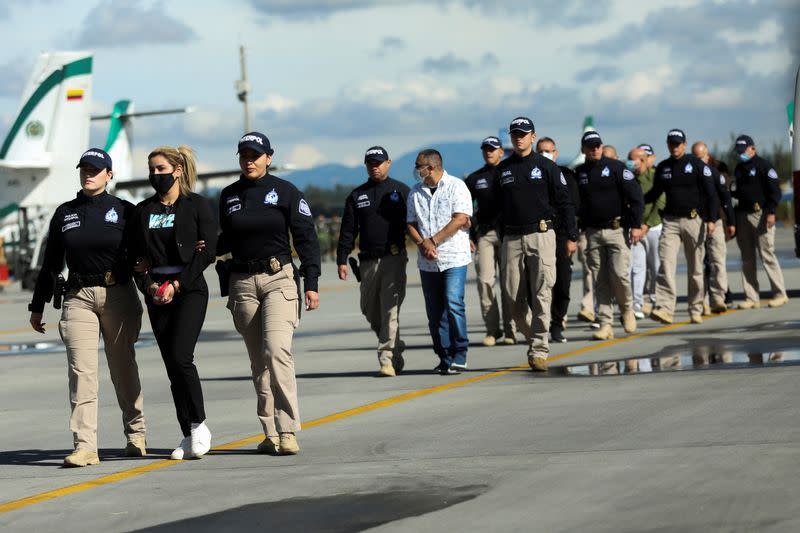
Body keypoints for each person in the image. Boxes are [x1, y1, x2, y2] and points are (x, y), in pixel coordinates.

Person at [28, 148, 145, 467]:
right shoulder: (64, 213)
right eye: (84, 169)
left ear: (109, 175)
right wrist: (37, 306)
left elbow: (144, 255)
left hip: (117, 293)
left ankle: (136, 433)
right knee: (81, 372)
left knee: (122, 366)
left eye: (95, 169)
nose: (88, 173)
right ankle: (85, 446)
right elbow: (51, 264)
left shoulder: (125, 210)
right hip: (77, 296)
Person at [217, 131, 320, 455]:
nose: (249, 161)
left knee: (277, 351)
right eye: (244, 156)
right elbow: (223, 241)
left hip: (278, 278)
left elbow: (306, 238)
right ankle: (270, 432)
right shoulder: (229, 195)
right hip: (243, 283)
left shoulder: (286, 192)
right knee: (258, 362)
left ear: (268, 157)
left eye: (255, 155)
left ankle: (288, 429)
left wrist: (313, 282)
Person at [128, 145, 216, 460]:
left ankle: (200, 425)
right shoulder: (143, 211)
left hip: (188, 289)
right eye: (152, 170)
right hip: (157, 293)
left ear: (177, 170)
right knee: (170, 365)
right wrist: (149, 285)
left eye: (161, 169)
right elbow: (135, 259)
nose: (156, 175)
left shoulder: (197, 206)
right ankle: (186, 432)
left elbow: (207, 252)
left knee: (181, 357)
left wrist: (176, 285)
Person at [493, 117, 577, 371]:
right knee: (513, 298)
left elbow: (565, 203)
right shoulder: (503, 169)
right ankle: (534, 336)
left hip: (541, 235)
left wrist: (570, 236)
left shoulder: (548, 167)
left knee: (542, 292)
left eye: (524, 133)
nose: (519, 137)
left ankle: (539, 348)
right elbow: (496, 207)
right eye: (515, 134)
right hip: (511, 238)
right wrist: (500, 235)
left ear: (533, 136)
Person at [337, 146, 409, 377]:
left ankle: (386, 358)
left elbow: (416, 221)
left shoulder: (401, 191)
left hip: (394, 258)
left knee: (390, 310)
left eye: (379, 162)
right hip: (367, 261)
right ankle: (395, 347)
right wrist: (341, 259)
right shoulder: (357, 196)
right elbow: (348, 230)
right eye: (370, 163)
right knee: (369, 310)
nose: (375, 167)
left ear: (388, 163)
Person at [406, 149, 472, 375]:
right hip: (427, 261)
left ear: (431, 167)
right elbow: (410, 223)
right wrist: (423, 244)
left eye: (419, 166)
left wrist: (433, 240)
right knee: (435, 312)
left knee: (453, 301)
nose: (416, 171)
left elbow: (461, 218)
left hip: (454, 256)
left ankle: (460, 351)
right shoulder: (415, 192)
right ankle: (444, 355)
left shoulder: (456, 186)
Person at [575, 132, 643, 340]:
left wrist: (636, 225)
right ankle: (605, 323)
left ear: (601, 147)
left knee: (620, 275)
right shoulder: (579, 173)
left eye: (597, 145)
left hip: (616, 230)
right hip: (593, 232)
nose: (595, 149)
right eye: (590, 146)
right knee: (600, 279)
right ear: (583, 149)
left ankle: (627, 310)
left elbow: (636, 196)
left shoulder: (616, 168)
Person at [645, 129, 717, 324]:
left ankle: (696, 307)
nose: (674, 146)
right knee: (666, 264)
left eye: (678, 143)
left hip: (694, 220)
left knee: (695, 268)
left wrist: (711, 219)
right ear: (667, 145)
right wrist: (636, 201)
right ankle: (665, 308)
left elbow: (711, 193)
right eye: (671, 143)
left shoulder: (696, 164)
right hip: (670, 222)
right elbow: (654, 193)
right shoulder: (663, 168)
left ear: (684, 145)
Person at [465, 136, 517, 346]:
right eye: (486, 149)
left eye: (493, 149)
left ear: (501, 152)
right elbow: (465, 209)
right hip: (484, 234)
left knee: (509, 284)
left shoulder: (510, 172)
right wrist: (469, 236)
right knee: (485, 281)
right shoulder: (475, 178)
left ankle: (511, 329)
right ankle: (492, 329)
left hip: (509, 234)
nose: (489, 152)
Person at [731, 134, 788, 308]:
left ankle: (780, 293)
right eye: (738, 151)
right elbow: (739, 192)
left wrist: (771, 212)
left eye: (744, 150)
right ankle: (751, 297)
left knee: (767, 255)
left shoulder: (764, 166)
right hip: (743, 215)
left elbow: (775, 192)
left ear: (752, 148)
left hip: (761, 214)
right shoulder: (739, 168)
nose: (741, 153)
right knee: (747, 258)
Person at [536, 136, 579, 343]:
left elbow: (572, 208)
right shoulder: (531, 175)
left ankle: (557, 324)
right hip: (537, 234)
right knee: (539, 283)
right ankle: (540, 325)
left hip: (561, 235)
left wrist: (572, 237)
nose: (545, 154)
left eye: (549, 150)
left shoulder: (567, 176)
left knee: (562, 282)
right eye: (541, 150)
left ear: (556, 153)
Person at [691, 141, 736, 312]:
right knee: (698, 264)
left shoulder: (717, 172)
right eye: (695, 157)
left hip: (716, 221)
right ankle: (702, 301)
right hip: (696, 222)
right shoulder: (691, 172)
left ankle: (719, 298)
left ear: (707, 154)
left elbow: (726, 198)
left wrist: (731, 222)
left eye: (700, 157)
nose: (698, 160)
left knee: (717, 261)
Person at [634, 143, 664, 316]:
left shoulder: (655, 176)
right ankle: (638, 303)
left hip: (654, 227)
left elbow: (660, 201)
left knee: (656, 266)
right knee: (637, 268)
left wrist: (647, 224)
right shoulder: (629, 177)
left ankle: (656, 299)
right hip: (637, 229)